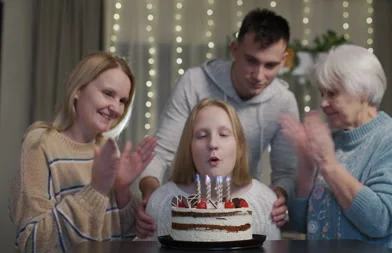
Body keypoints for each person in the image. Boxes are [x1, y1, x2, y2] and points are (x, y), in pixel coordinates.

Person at [136, 8, 298, 238]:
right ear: (235, 49)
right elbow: (161, 152)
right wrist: (151, 198)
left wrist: (279, 195)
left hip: (241, 211)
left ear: (283, 60)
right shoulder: (194, 82)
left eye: (270, 65)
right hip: (188, 206)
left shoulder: (284, 102)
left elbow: (286, 172)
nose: (259, 75)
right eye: (251, 61)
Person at [280, 44, 392, 253]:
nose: (323, 103)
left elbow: (381, 220)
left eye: (332, 93)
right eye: (321, 94)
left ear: (363, 92)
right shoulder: (333, 141)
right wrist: (306, 163)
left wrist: (328, 165)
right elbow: (302, 225)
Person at [9, 52, 157, 253]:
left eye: (123, 100)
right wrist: (96, 189)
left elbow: (120, 238)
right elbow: (33, 243)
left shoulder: (108, 149)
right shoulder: (40, 143)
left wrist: (122, 189)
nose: (116, 108)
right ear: (78, 89)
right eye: (108, 93)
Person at [142, 98, 281, 241]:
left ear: (239, 146)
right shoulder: (161, 202)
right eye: (202, 136)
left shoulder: (265, 201)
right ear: (189, 147)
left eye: (223, 134)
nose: (213, 144)